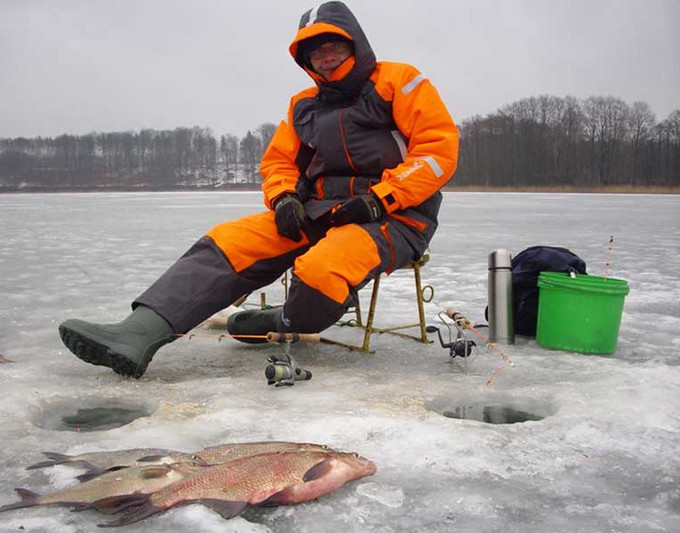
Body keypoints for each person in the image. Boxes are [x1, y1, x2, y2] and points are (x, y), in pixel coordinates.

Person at [59, 1, 459, 378]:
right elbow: (279, 162)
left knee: (321, 269)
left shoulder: (400, 81)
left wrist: (378, 200)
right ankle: (137, 333)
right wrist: (284, 197)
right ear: (306, 61)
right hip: (322, 210)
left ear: (355, 43)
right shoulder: (303, 105)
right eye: (315, 52)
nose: (326, 56)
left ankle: (282, 320)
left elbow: (438, 151)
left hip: (396, 217)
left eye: (334, 44)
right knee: (228, 241)